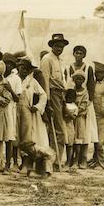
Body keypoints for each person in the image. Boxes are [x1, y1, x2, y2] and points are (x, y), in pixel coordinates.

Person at [17, 56, 53, 177]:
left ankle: (35, 166)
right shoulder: (13, 79)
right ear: (19, 68)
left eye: (27, 69)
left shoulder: (32, 82)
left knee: (32, 137)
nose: (24, 71)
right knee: (17, 137)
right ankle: (20, 164)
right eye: (22, 68)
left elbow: (43, 95)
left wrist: (37, 107)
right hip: (16, 112)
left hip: (30, 113)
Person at [39, 33, 69, 170]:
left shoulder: (60, 60)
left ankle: (56, 160)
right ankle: (53, 161)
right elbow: (45, 80)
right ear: (52, 46)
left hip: (60, 94)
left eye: (61, 46)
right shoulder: (47, 59)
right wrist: (48, 101)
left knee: (60, 129)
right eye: (57, 46)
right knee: (58, 130)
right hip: (52, 94)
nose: (59, 48)